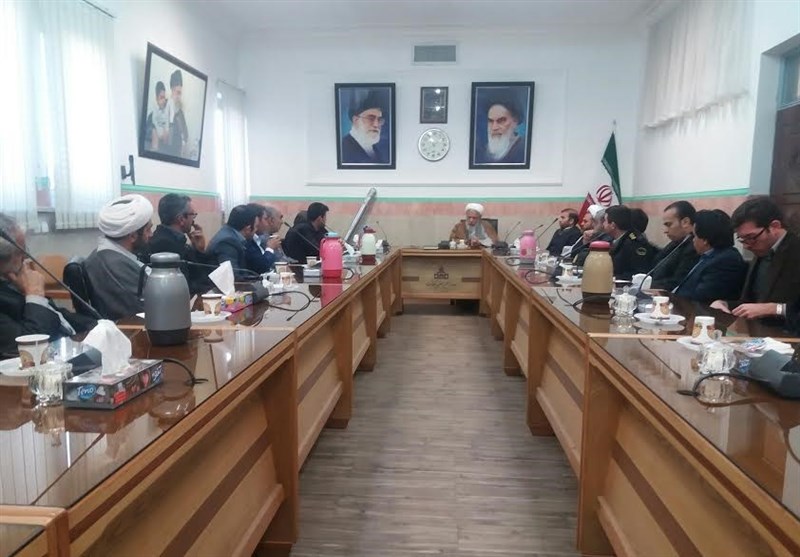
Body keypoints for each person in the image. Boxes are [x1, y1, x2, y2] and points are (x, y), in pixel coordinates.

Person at [0, 214, 95, 354]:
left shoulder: (11, 279)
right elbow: (31, 350)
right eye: (21, 251)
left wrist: (96, 326)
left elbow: (57, 315)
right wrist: (35, 295)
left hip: (70, 346)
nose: (26, 257)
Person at [711, 196, 800, 323]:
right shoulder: (762, 250)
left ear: (775, 226)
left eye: (751, 237)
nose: (746, 246)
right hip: (758, 331)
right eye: (743, 239)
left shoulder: (795, 250)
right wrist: (724, 304)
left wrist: (776, 308)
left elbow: (766, 308)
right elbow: (753, 304)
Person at [84, 194, 154, 320]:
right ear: (132, 236)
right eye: (148, 230)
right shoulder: (114, 266)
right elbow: (145, 310)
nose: (151, 234)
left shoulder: (114, 256)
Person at [673, 210, 746, 303]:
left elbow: (701, 298)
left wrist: (669, 298)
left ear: (705, 240)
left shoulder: (726, 261)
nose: (693, 240)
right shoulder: (709, 256)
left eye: (694, 236)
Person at [146, 193, 210, 294]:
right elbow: (193, 284)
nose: (193, 219)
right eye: (192, 215)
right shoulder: (167, 245)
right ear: (181, 219)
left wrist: (199, 250)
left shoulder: (171, 238)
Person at [650, 200, 699, 291]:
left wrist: (647, 285)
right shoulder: (676, 243)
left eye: (669, 225)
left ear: (685, 222)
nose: (665, 230)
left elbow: (677, 281)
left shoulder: (695, 246)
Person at [603, 205, 657, 281]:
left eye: (605, 221)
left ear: (613, 225)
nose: (603, 224)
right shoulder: (612, 239)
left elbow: (639, 273)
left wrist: (612, 278)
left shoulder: (635, 243)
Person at [206, 205, 259, 281]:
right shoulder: (227, 242)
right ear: (248, 228)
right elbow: (232, 277)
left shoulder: (228, 234)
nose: (256, 230)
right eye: (256, 226)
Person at [341, 91, 388, 164]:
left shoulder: (376, 151)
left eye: (379, 119)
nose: (376, 124)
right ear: (356, 120)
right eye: (370, 118)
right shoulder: (344, 148)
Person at [475, 98, 526, 164]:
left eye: (501, 121)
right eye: (490, 121)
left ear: (515, 122)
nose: (494, 127)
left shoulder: (522, 149)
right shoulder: (482, 152)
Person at [244, 203, 284, 274]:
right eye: (265, 219)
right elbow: (262, 266)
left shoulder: (256, 238)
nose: (267, 223)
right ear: (256, 220)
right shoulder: (251, 239)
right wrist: (270, 248)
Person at [166, 70, 188, 158]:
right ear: (172, 90)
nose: (179, 96)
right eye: (177, 92)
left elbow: (186, 135)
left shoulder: (180, 112)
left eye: (180, 93)